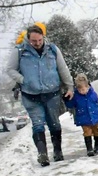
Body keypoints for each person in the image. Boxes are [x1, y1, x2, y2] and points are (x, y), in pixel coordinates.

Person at [8, 23, 74, 166]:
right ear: (28, 39)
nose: (37, 44)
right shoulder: (20, 51)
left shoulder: (53, 50)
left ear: (43, 37)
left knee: (54, 123)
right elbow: (10, 69)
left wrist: (70, 87)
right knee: (37, 124)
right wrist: (23, 80)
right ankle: (42, 154)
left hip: (52, 93)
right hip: (30, 95)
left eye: (39, 40)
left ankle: (57, 151)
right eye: (33, 41)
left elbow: (63, 69)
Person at [66, 73, 98, 156]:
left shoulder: (93, 94)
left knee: (96, 131)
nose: (82, 91)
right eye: (80, 90)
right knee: (87, 132)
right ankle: (89, 148)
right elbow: (70, 105)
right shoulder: (76, 96)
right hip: (83, 118)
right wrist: (67, 100)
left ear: (88, 86)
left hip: (95, 117)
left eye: (84, 89)